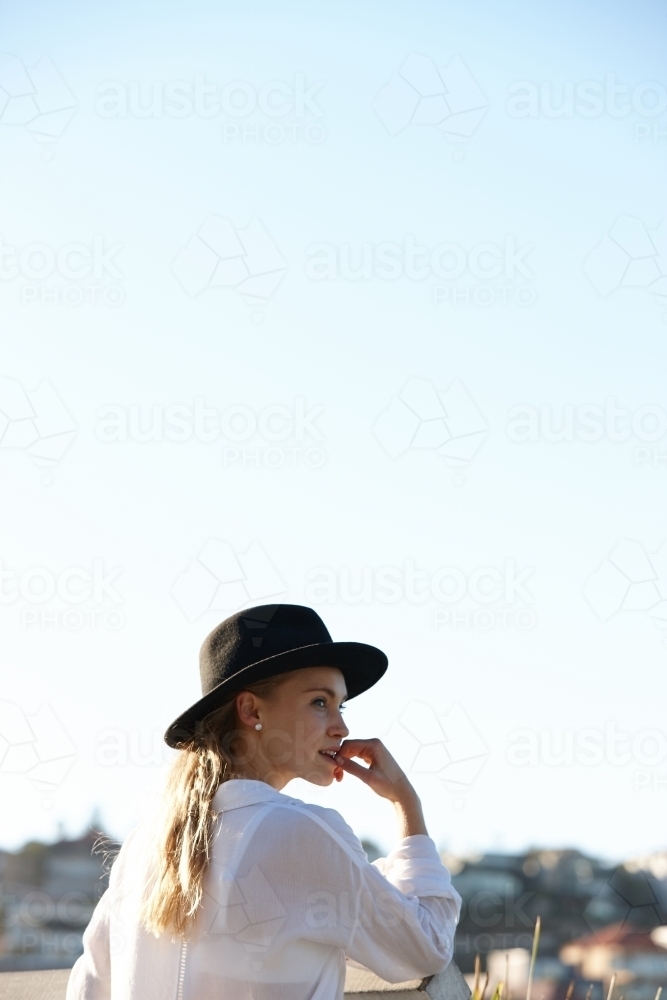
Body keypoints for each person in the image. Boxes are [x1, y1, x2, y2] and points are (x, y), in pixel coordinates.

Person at [66, 603, 462, 1000]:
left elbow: (88, 986)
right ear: (251, 709)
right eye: (319, 703)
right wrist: (406, 803)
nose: (342, 727)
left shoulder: (142, 846)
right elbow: (426, 947)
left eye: (340, 706)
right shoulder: (301, 834)